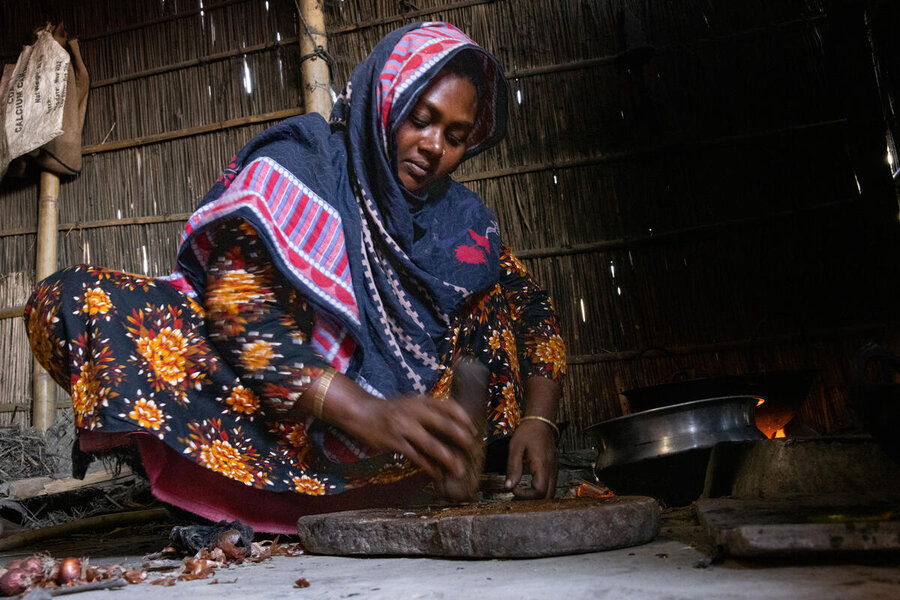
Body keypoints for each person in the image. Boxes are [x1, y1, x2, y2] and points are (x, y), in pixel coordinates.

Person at [24, 22, 566, 534]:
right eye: (419, 118)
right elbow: (240, 310)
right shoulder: (307, 162)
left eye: (455, 135)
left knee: (492, 299)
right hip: (281, 422)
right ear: (385, 100)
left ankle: (428, 479)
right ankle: (219, 492)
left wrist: (539, 421)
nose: (433, 145)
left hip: (400, 454)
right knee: (72, 300)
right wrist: (365, 409)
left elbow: (531, 310)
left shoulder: (462, 224)